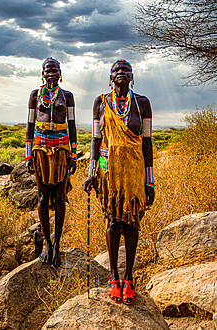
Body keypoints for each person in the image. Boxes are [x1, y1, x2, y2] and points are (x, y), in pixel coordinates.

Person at [83, 60, 155, 305]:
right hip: (107, 169)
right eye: (117, 70)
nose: (121, 73)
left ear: (132, 76)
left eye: (125, 70)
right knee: (113, 221)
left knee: (132, 223)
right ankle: (113, 278)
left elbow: (147, 143)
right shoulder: (100, 103)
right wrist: (91, 172)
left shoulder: (141, 103)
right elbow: (95, 140)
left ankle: (129, 278)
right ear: (110, 76)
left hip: (134, 170)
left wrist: (150, 181)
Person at [26, 58, 77, 268]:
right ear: (43, 73)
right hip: (40, 151)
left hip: (62, 150)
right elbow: (29, 126)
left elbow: (72, 126)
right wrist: (28, 155)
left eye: (55, 70)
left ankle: (57, 245)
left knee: (59, 197)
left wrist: (73, 155)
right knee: (42, 196)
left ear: (60, 73)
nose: (51, 73)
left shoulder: (67, 96)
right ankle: (46, 243)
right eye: (48, 70)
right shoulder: (35, 95)